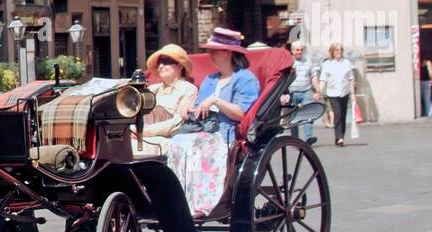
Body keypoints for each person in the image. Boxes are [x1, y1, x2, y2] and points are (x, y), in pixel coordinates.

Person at [166, 28, 260, 218]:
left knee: (198, 145)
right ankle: (179, 201)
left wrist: (217, 101)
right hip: (204, 128)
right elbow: (201, 108)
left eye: (214, 51)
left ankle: (203, 203)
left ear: (228, 52)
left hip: (227, 133)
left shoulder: (245, 79)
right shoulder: (210, 80)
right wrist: (189, 109)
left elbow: (241, 113)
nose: (210, 55)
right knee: (177, 142)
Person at [135, 44, 199, 154]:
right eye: (159, 62)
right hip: (140, 136)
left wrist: (144, 132)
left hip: (168, 140)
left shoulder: (189, 89)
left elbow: (178, 122)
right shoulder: (152, 89)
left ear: (180, 66)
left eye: (167, 61)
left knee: (130, 149)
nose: (161, 66)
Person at [318, 43, 356, 146]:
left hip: (345, 92)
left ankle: (340, 137)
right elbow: (323, 79)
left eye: (340, 50)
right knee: (337, 114)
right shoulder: (327, 64)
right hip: (333, 93)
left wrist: (352, 93)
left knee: (343, 115)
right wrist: (319, 91)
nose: (339, 52)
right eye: (337, 50)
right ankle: (339, 137)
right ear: (332, 52)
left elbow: (351, 78)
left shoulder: (346, 63)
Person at [283, 40, 319, 142]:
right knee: (294, 117)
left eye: (301, 50)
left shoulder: (308, 61)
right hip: (292, 92)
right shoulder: (288, 62)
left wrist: (318, 91)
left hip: (306, 91)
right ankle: (295, 139)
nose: (299, 52)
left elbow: (314, 77)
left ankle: (309, 138)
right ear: (292, 51)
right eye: (297, 50)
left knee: (307, 114)